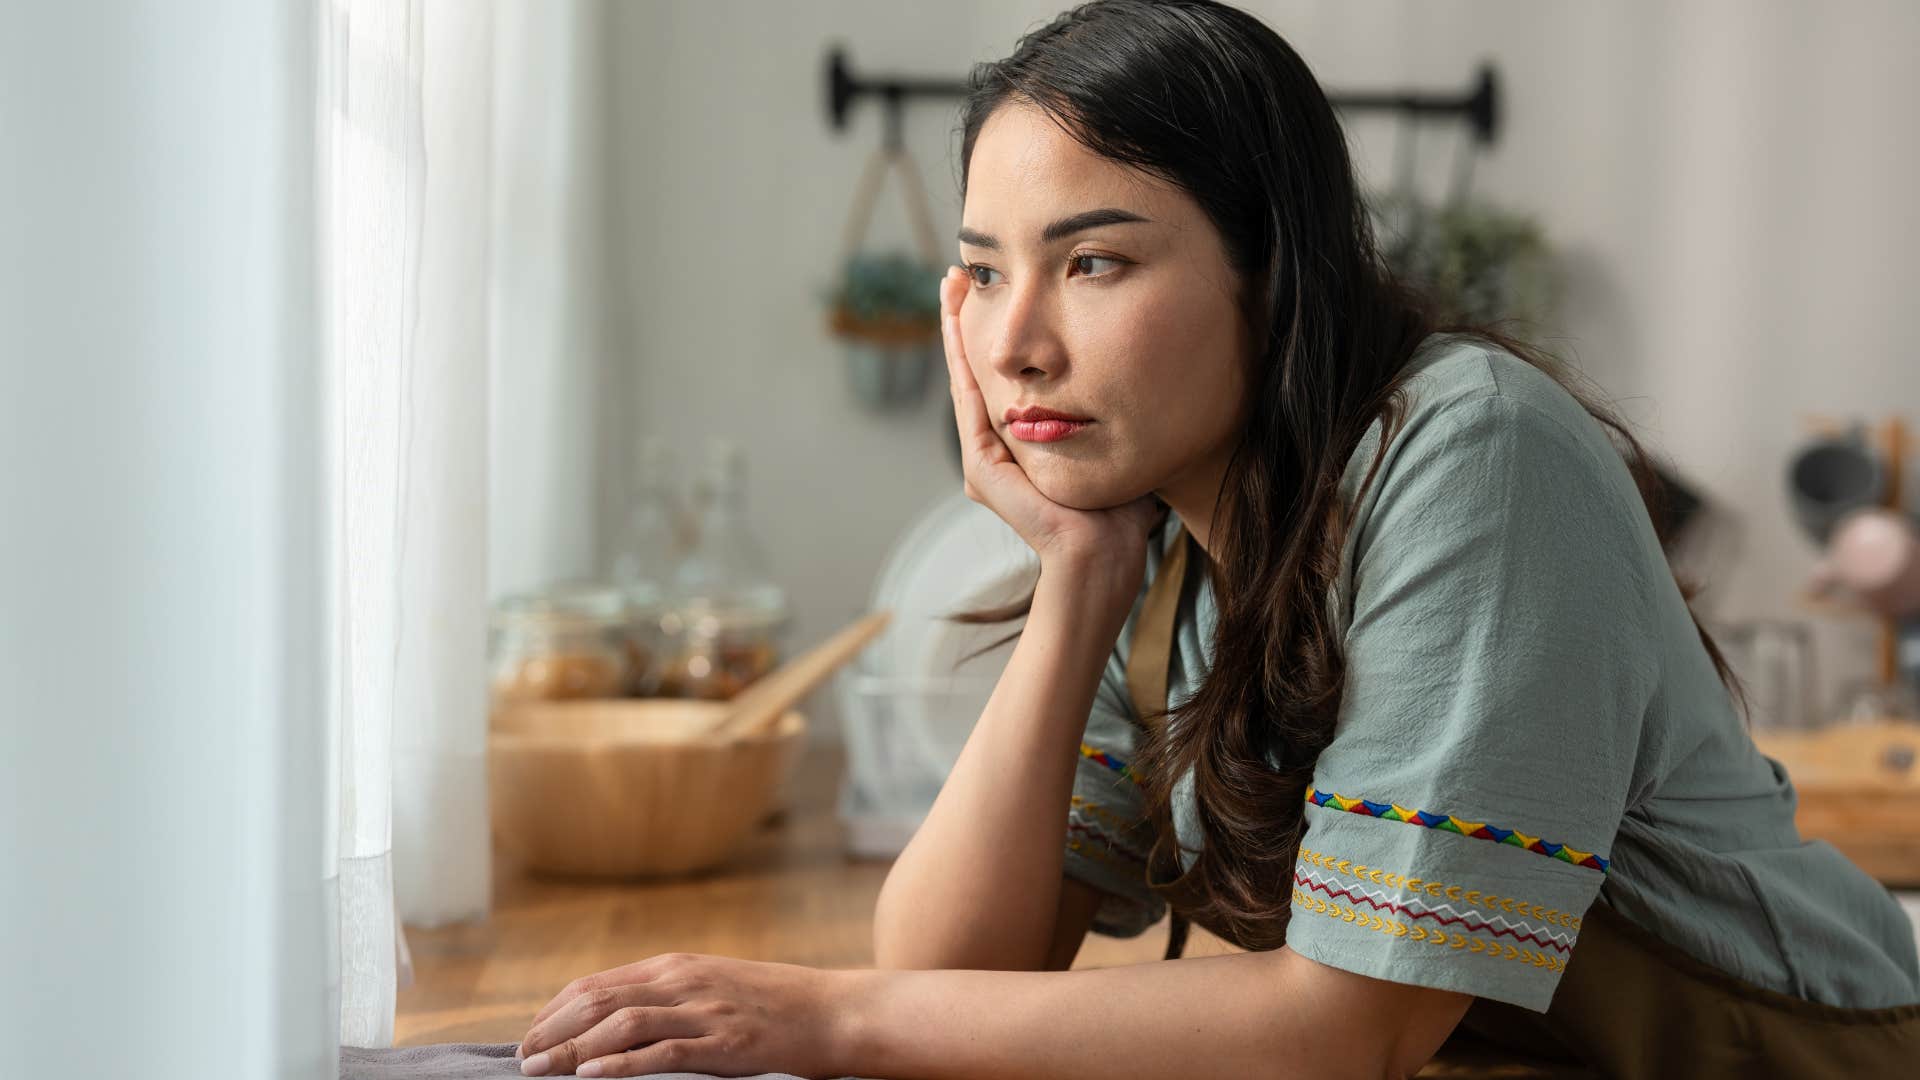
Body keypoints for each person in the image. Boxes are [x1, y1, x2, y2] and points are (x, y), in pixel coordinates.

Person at [511, 3, 1920, 1076]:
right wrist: (1076, 577)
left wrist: (819, 1012)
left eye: (1096, 262)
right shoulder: (1177, 538)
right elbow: (959, 960)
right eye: (986, 271)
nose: (1015, 343)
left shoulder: (1470, 452)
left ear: (1274, 271)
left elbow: (1354, 1018)